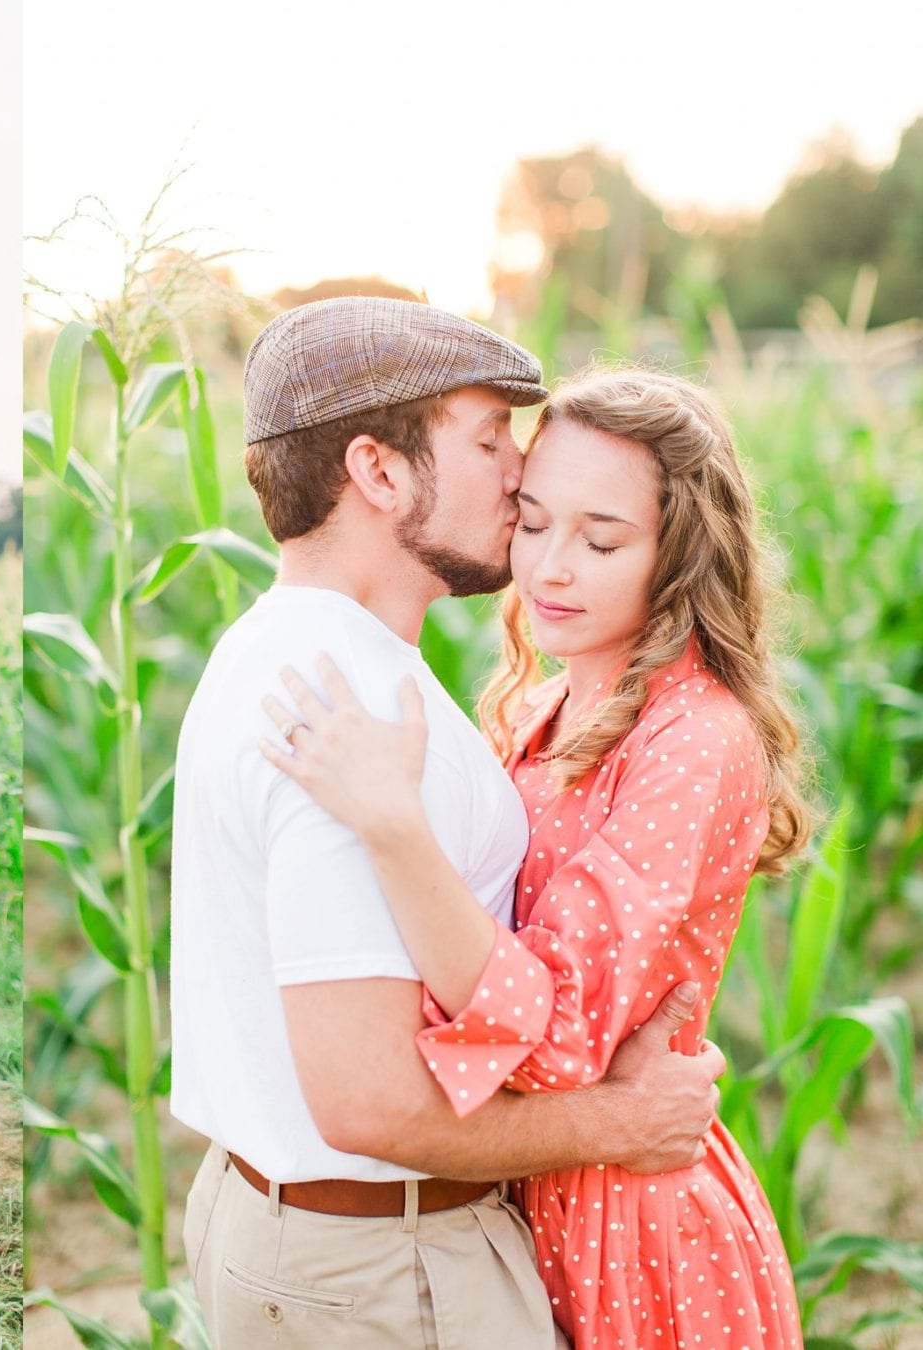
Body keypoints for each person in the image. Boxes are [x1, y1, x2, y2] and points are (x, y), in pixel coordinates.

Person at [170, 298, 726, 1348]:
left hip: (307, 1242)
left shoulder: (278, 650)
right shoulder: (351, 714)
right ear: (380, 472)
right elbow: (369, 1105)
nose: (518, 474)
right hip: (381, 1272)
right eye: (485, 442)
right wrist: (629, 1122)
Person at [259, 366, 808, 1347]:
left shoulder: (695, 740)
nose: (550, 567)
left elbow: (554, 1042)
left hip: (630, 1227)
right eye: (535, 519)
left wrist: (393, 828)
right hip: (526, 1195)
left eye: (601, 540)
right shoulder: (535, 705)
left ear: (680, 553)